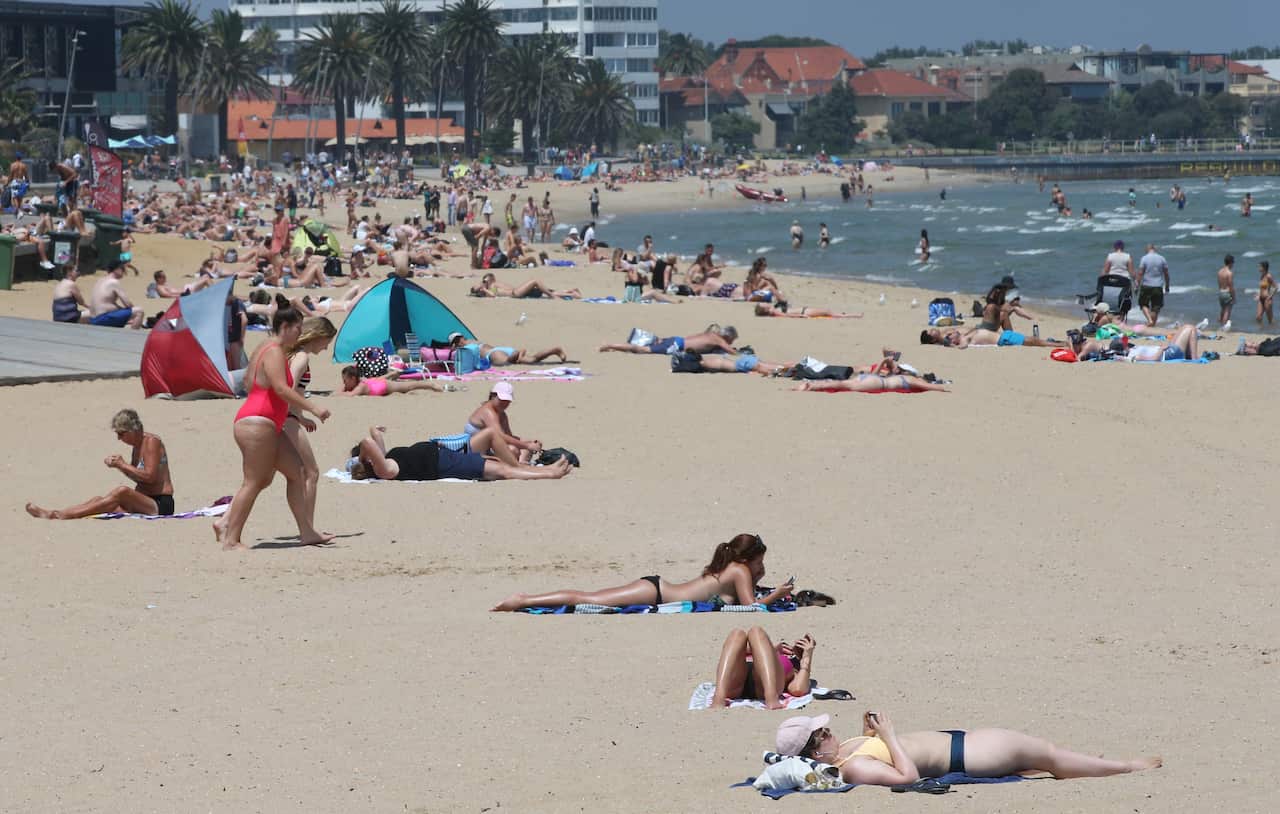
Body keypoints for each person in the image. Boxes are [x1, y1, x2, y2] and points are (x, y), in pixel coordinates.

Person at [214, 306, 333, 551]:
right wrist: (313, 408)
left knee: (297, 472)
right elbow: (281, 388)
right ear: (286, 327)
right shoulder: (274, 351)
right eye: (298, 328)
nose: (301, 332)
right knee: (255, 481)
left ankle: (307, 532)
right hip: (257, 422)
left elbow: (249, 382)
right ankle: (231, 538)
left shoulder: (264, 348)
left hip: (266, 422)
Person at [776, 712, 1160, 786]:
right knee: (1050, 755)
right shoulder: (851, 768)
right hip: (968, 755)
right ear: (814, 753)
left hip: (965, 744)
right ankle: (1126, 768)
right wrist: (890, 735)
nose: (828, 732)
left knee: (1045, 756)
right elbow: (906, 777)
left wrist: (869, 731)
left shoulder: (845, 750)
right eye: (821, 734)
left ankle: (1113, 766)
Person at [491, 532, 794, 611]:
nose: (761, 568)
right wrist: (777, 594)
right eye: (760, 563)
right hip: (656, 593)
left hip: (657, 588)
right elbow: (751, 607)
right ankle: (524, 600)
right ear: (749, 560)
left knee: (590, 597)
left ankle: (526, 599)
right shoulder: (740, 571)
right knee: (588, 599)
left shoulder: (733, 567)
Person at [26, 409, 176, 519]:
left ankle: (58, 515)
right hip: (142, 501)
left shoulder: (151, 442)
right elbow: (139, 478)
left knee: (121, 491)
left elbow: (150, 477)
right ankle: (56, 511)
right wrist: (119, 466)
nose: (118, 438)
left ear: (133, 430)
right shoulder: (136, 447)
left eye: (121, 434)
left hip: (160, 504)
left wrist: (123, 465)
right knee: (98, 501)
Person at [348, 425, 571, 484]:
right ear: (368, 458)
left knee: (498, 462)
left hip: (445, 456)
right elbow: (368, 443)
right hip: (445, 465)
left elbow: (373, 438)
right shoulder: (384, 470)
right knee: (502, 470)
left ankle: (542, 470)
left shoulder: (386, 459)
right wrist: (359, 459)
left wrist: (375, 430)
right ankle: (549, 474)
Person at [282, 318, 338, 547]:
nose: (325, 347)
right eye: (326, 342)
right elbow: (288, 389)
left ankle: (307, 527)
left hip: (290, 418)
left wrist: (301, 416)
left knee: (260, 478)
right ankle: (308, 529)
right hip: (287, 421)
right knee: (311, 473)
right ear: (317, 336)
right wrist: (310, 411)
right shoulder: (302, 357)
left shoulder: (292, 355)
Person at [712, 629, 817, 709]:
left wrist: (807, 656)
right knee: (737, 634)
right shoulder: (772, 651)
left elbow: (798, 689)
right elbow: (738, 648)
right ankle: (719, 697)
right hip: (740, 677)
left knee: (756, 631)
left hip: (765, 686)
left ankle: (771, 696)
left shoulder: (795, 668)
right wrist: (771, 649)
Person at [447, 331, 568, 366]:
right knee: (532, 360)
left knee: (507, 362)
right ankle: (554, 350)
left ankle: (518, 353)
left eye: (456, 342)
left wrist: (453, 349)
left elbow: (460, 357)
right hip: (501, 349)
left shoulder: (465, 347)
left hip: (493, 354)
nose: (458, 343)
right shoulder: (473, 340)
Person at [599, 325, 739, 355]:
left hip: (676, 340)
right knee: (642, 350)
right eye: (731, 340)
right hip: (676, 345)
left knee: (645, 346)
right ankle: (610, 345)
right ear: (727, 337)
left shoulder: (709, 335)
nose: (730, 343)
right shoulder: (718, 340)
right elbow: (731, 352)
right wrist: (740, 354)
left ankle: (613, 347)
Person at [89, 261, 145, 328]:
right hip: (103, 318)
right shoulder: (114, 282)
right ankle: (132, 336)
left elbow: (107, 303)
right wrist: (132, 313)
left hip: (93, 319)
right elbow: (128, 304)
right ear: (116, 269)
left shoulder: (100, 280)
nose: (124, 272)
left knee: (128, 319)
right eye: (123, 269)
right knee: (139, 311)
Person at [339, 366, 446, 397]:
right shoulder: (360, 381)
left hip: (384, 386)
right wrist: (343, 388)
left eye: (345, 380)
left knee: (409, 386)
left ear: (353, 378)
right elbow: (374, 380)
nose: (344, 383)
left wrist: (336, 394)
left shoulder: (360, 387)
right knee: (376, 379)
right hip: (375, 383)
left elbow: (351, 395)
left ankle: (430, 384)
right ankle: (390, 374)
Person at [920, 327, 1063, 349]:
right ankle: (1061, 345)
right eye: (932, 332)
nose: (951, 333)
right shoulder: (957, 340)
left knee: (1033, 340)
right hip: (1002, 339)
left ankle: (1059, 343)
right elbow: (961, 346)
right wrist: (959, 340)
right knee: (1034, 341)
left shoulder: (951, 335)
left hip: (1002, 336)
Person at [1134, 244, 1171, 326]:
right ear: (1154, 249)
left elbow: (1140, 273)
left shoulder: (1144, 258)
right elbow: (1166, 274)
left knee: (1143, 304)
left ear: (1147, 249)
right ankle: (1152, 324)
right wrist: (1167, 286)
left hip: (1147, 285)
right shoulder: (1162, 258)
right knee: (1156, 307)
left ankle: (1150, 320)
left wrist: (1136, 285)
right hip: (1158, 286)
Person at [469, 273, 581, 300]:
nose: (482, 283)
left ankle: (570, 293)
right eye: (478, 287)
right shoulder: (488, 291)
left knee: (540, 291)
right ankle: (554, 296)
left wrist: (484, 282)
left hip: (517, 290)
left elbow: (491, 275)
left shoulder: (491, 283)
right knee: (535, 281)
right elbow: (493, 296)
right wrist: (483, 288)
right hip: (515, 293)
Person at [754, 303, 861, 319]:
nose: (765, 303)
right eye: (763, 304)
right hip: (804, 312)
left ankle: (850, 315)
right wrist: (801, 316)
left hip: (804, 310)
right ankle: (853, 315)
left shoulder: (774, 309)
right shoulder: (774, 312)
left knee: (828, 311)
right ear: (764, 309)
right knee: (828, 312)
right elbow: (786, 315)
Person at [1218, 254, 1236, 331]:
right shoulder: (1229, 273)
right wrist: (1234, 297)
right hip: (1227, 293)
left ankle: (1220, 325)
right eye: (1233, 263)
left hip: (1221, 292)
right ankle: (1224, 327)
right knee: (1227, 311)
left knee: (1222, 310)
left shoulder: (1220, 271)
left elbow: (1219, 283)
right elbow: (1231, 286)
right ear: (1230, 263)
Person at [1256, 260, 1276, 326]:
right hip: (1261, 299)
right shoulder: (1262, 276)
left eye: (1260, 267)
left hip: (1267, 299)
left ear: (1264, 267)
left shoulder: (1269, 276)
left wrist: (1270, 296)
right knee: (1258, 317)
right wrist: (1258, 294)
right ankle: (1262, 329)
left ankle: (1273, 331)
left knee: (1270, 318)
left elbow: (1275, 287)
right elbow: (1261, 288)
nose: (1259, 268)